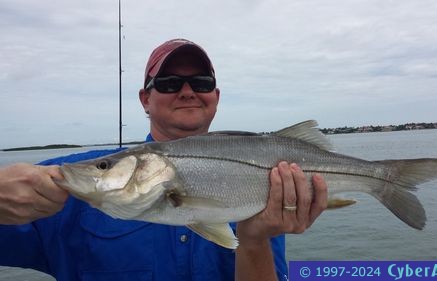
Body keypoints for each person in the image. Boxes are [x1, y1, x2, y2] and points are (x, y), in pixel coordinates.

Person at [0, 38, 328, 281]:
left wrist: (254, 240)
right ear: (146, 99)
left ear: (216, 96)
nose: (187, 91)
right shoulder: (57, 188)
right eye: (170, 83)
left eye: (201, 82)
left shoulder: (272, 184)